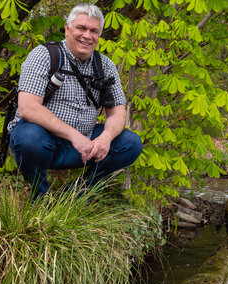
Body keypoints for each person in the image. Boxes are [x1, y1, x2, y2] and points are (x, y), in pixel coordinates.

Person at [7, 3, 142, 200]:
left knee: (131, 143)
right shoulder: (44, 55)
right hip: (44, 140)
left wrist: (105, 138)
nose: (87, 35)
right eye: (81, 28)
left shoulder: (105, 65)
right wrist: (74, 136)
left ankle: (73, 199)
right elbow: (28, 108)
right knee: (29, 138)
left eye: (94, 31)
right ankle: (41, 198)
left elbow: (118, 113)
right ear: (67, 28)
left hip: (86, 145)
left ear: (99, 35)